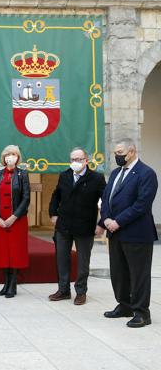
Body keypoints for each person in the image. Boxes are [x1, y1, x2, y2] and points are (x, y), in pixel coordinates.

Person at [99, 139, 158, 328]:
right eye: (115, 153)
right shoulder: (116, 173)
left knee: (138, 274)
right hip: (114, 233)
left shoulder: (146, 173)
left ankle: (141, 312)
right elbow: (106, 198)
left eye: (120, 152)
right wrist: (106, 219)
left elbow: (142, 204)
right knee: (118, 273)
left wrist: (118, 221)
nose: (117, 156)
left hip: (137, 233)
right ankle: (124, 305)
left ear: (131, 151)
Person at [48, 147, 106, 305]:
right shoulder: (65, 175)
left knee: (83, 262)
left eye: (79, 159)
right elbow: (56, 195)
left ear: (86, 160)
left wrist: (102, 223)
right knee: (62, 259)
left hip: (85, 226)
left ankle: (81, 291)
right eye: (73, 159)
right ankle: (63, 290)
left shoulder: (96, 178)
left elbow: (106, 202)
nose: (75, 162)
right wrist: (53, 214)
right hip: (64, 225)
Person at [0, 145, 30, 298]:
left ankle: (13, 284)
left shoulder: (23, 175)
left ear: (18, 157)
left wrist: (14, 217)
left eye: (13, 154)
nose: (10, 156)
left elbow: (26, 198)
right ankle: (5, 283)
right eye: (7, 154)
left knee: (15, 252)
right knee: (3, 252)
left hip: (17, 221)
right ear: (3, 157)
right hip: (0, 221)